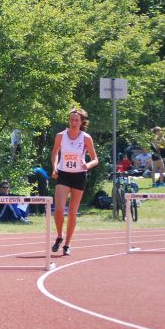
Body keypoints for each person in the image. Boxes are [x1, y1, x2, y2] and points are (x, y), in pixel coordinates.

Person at [50, 108, 99, 255]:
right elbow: (55, 152)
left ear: (81, 122)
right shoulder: (60, 136)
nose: (73, 122)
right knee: (59, 209)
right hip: (63, 174)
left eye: (76, 120)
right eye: (71, 120)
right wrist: (54, 167)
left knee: (72, 212)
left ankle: (67, 244)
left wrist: (87, 165)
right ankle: (59, 235)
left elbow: (95, 159)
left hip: (79, 176)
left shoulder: (86, 138)